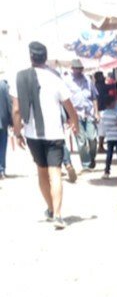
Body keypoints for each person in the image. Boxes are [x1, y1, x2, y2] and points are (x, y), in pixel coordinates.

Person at [11, 40, 79, 229]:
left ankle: (50, 209)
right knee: (55, 172)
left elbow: (16, 110)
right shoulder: (55, 79)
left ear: (31, 57)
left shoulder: (20, 78)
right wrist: (75, 122)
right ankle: (57, 215)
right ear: (45, 58)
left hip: (33, 133)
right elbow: (69, 105)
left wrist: (17, 134)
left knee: (41, 171)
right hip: (54, 133)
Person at [67, 58, 98, 169]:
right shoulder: (68, 82)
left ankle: (92, 157)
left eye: (81, 69)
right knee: (81, 141)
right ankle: (86, 163)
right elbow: (65, 101)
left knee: (92, 138)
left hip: (89, 113)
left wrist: (97, 113)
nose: (79, 71)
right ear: (72, 69)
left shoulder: (88, 81)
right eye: (77, 69)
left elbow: (94, 97)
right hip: (76, 115)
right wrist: (68, 117)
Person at [100, 96, 117, 178]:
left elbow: (103, 125)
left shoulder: (103, 114)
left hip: (109, 137)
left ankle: (107, 171)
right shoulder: (115, 113)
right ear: (111, 104)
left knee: (109, 154)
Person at [0, 71, 11, 178]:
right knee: (2, 146)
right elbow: (9, 104)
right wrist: (12, 121)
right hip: (2, 122)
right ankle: (1, 169)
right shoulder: (3, 85)